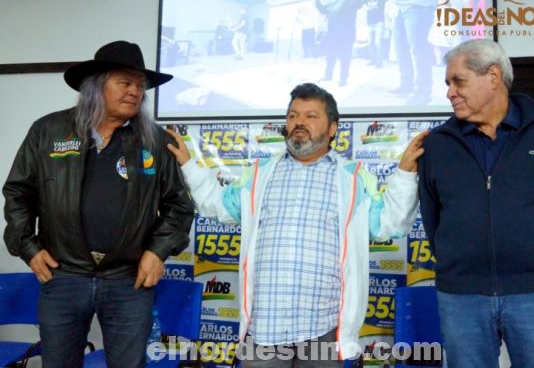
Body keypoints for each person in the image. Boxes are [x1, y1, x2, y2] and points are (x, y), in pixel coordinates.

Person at [167, 83, 427, 366]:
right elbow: (216, 205)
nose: (299, 122)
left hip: (325, 329)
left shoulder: (354, 178)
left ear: (332, 128)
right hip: (263, 329)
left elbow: (388, 224)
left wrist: (404, 173)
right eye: (293, 116)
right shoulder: (259, 175)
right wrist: (188, 164)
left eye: (311, 116)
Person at [3, 40, 195, 367]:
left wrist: (158, 250)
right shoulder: (48, 131)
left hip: (128, 280)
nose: (135, 91)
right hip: (63, 276)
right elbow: (18, 193)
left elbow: (179, 205)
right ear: (96, 85)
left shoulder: (156, 141)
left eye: (140, 85)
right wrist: (28, 248)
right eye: (125, 82)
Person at [418, 39, 534, 368]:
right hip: (462, 299)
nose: (450, 92)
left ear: (493, 77)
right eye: (447, 83)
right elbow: (433, 216)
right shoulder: (438, 144)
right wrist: (462, 264)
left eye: (459, 81)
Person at [389, 0, 435, 105]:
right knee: (401, 50)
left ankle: (423, 92)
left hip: (418, 6)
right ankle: (406, 85)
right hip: (399, 9)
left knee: (419, 51)